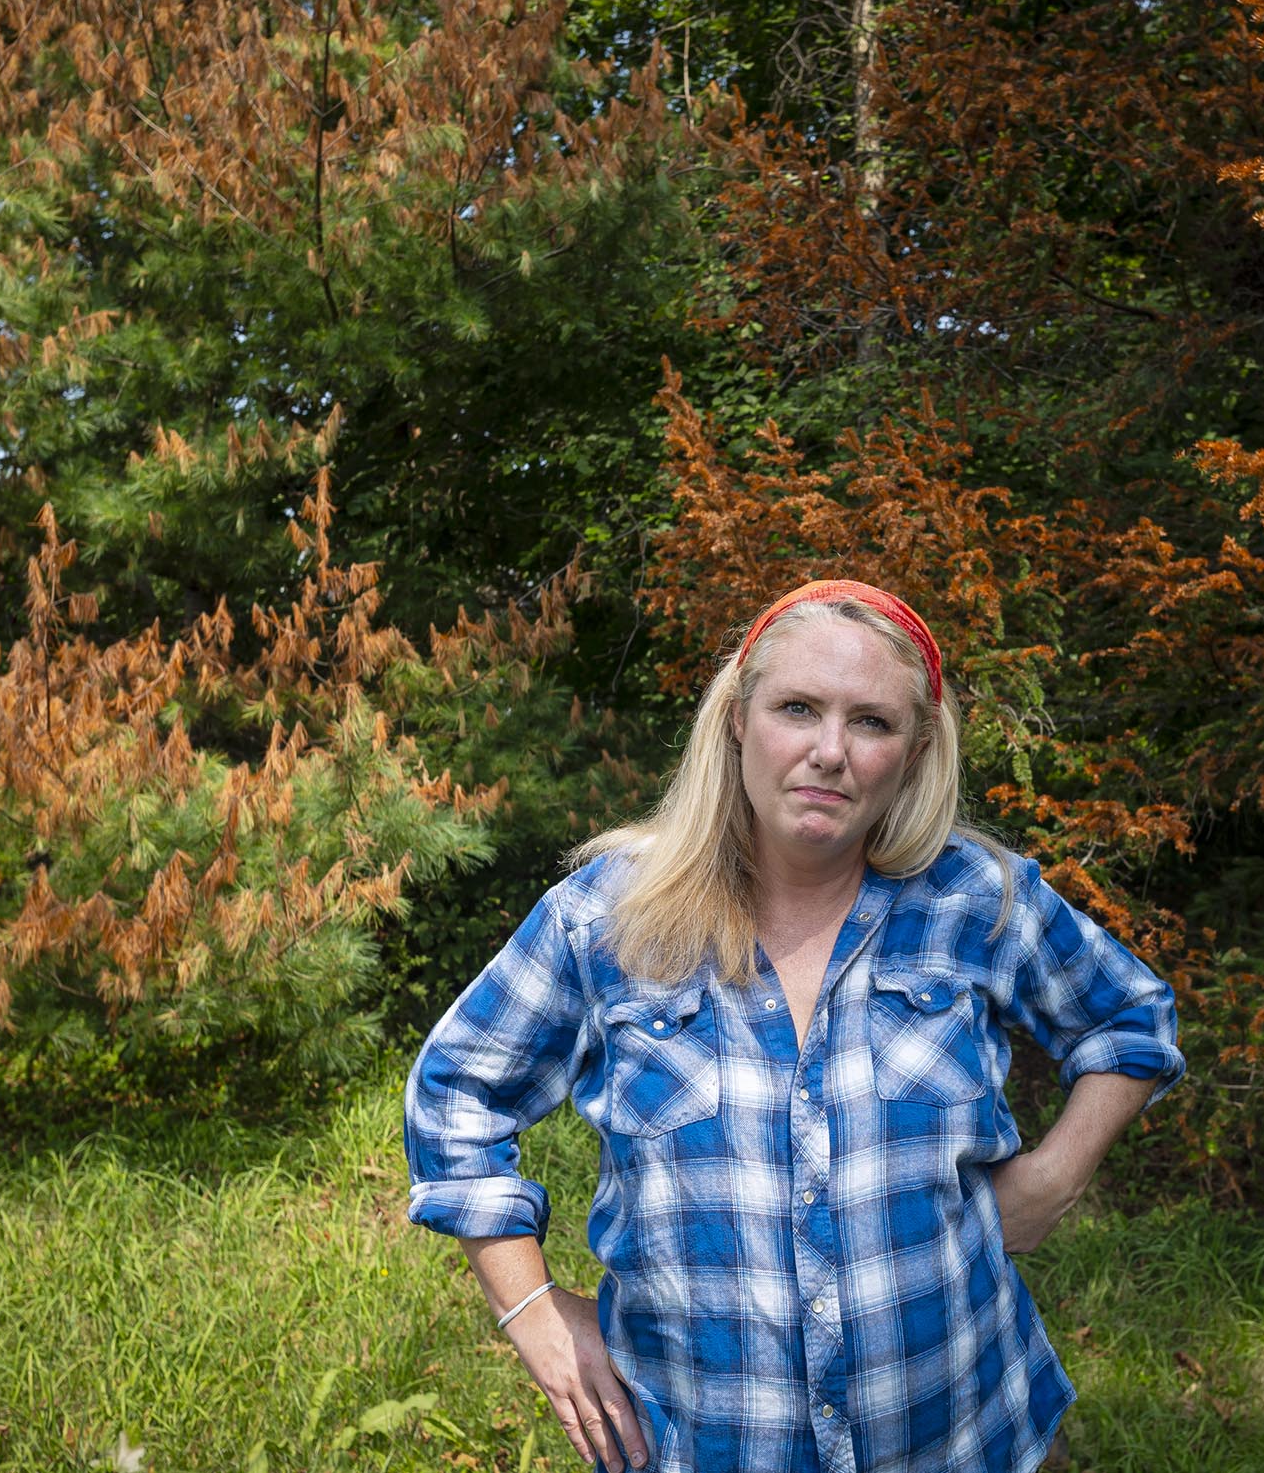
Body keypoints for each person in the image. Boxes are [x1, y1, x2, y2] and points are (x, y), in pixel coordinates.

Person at [404, 579, 1185, 1473]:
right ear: (738, 720)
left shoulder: (971, 900)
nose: (828, 751)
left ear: (916, 749)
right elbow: (456, 1091)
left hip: (967, 1434)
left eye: (872, 723)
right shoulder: (609, 919)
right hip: (703, 1445)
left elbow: (1129, 1018)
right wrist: (530, 1311)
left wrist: (1053, 1177)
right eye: (798, 708)